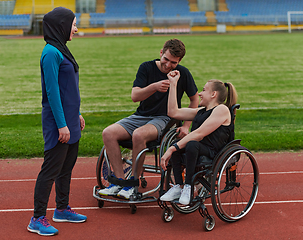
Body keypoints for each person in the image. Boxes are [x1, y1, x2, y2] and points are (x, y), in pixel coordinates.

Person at [99, 39, 199, 199]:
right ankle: (118, 182)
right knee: (108, 133)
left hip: (165, 119)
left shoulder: (183, 73)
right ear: (161, 53)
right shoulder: (146, 67)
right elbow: (134, 96)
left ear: (179, 61)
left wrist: (186, 126)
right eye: (166, 59)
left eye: (173, 62)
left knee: (139, 135)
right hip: (141, 115)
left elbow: (195, 99)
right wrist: (154, 87)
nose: (168, 65)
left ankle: (133, 184)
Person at [27, 7, 87, 236]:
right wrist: (62, 124)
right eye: (73, 24)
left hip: (70, 118)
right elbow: (52, 92)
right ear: (62, 25)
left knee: (66, 168)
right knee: (51, 169)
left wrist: (76, 114)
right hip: (57, 122)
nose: (76, 28)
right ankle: (37, 218)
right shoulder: (51, 52)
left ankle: (62, 209)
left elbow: (68, 89)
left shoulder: (62, 50)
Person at [160, 70, 238, 205]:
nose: (200, 94)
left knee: (190, 143)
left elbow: (199, 133)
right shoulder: (201, 112)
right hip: (197, 148)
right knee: (180, 143)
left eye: (203, 90)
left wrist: (171, 149)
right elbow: (173, 112)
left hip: (214, 153)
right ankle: (179, 186)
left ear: (214, 94)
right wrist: (173, 84)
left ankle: (189, 186)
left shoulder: (222, 110)